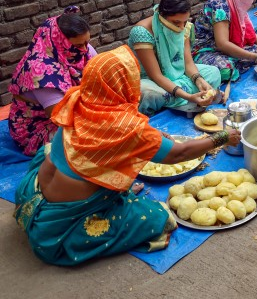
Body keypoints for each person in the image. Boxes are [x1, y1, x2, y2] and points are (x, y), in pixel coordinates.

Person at [13, 46, 241, 266]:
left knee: (50, 150)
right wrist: (222, 137)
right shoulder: (126, 128)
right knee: (156, 219)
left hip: (37, 187)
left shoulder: (78, 97)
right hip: (68, 214)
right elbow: (178, 153)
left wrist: (150, 137)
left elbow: (97, 144)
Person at [8, 7, 97, 156]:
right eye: (78, 46)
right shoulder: (41, 70)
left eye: (87, 43)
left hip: (75, 112)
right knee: (96, 136)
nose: (84, 50)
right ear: (59, 42)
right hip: (38, 128)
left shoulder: (80, 50)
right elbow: (62, 117)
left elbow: (99, 73)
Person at [128, 0, 221, 116]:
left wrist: (199, 80)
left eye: (184, 22)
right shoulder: (142, 32)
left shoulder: (184, 26)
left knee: (213, 73)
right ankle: (187, 99)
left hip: (178, 74)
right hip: (151, 80)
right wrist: (188, 96)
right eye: (176, 23)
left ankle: (176, 100)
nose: (181, 28)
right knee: (147, 93)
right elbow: (156, 76)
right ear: (161, 16)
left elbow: (188, 63)